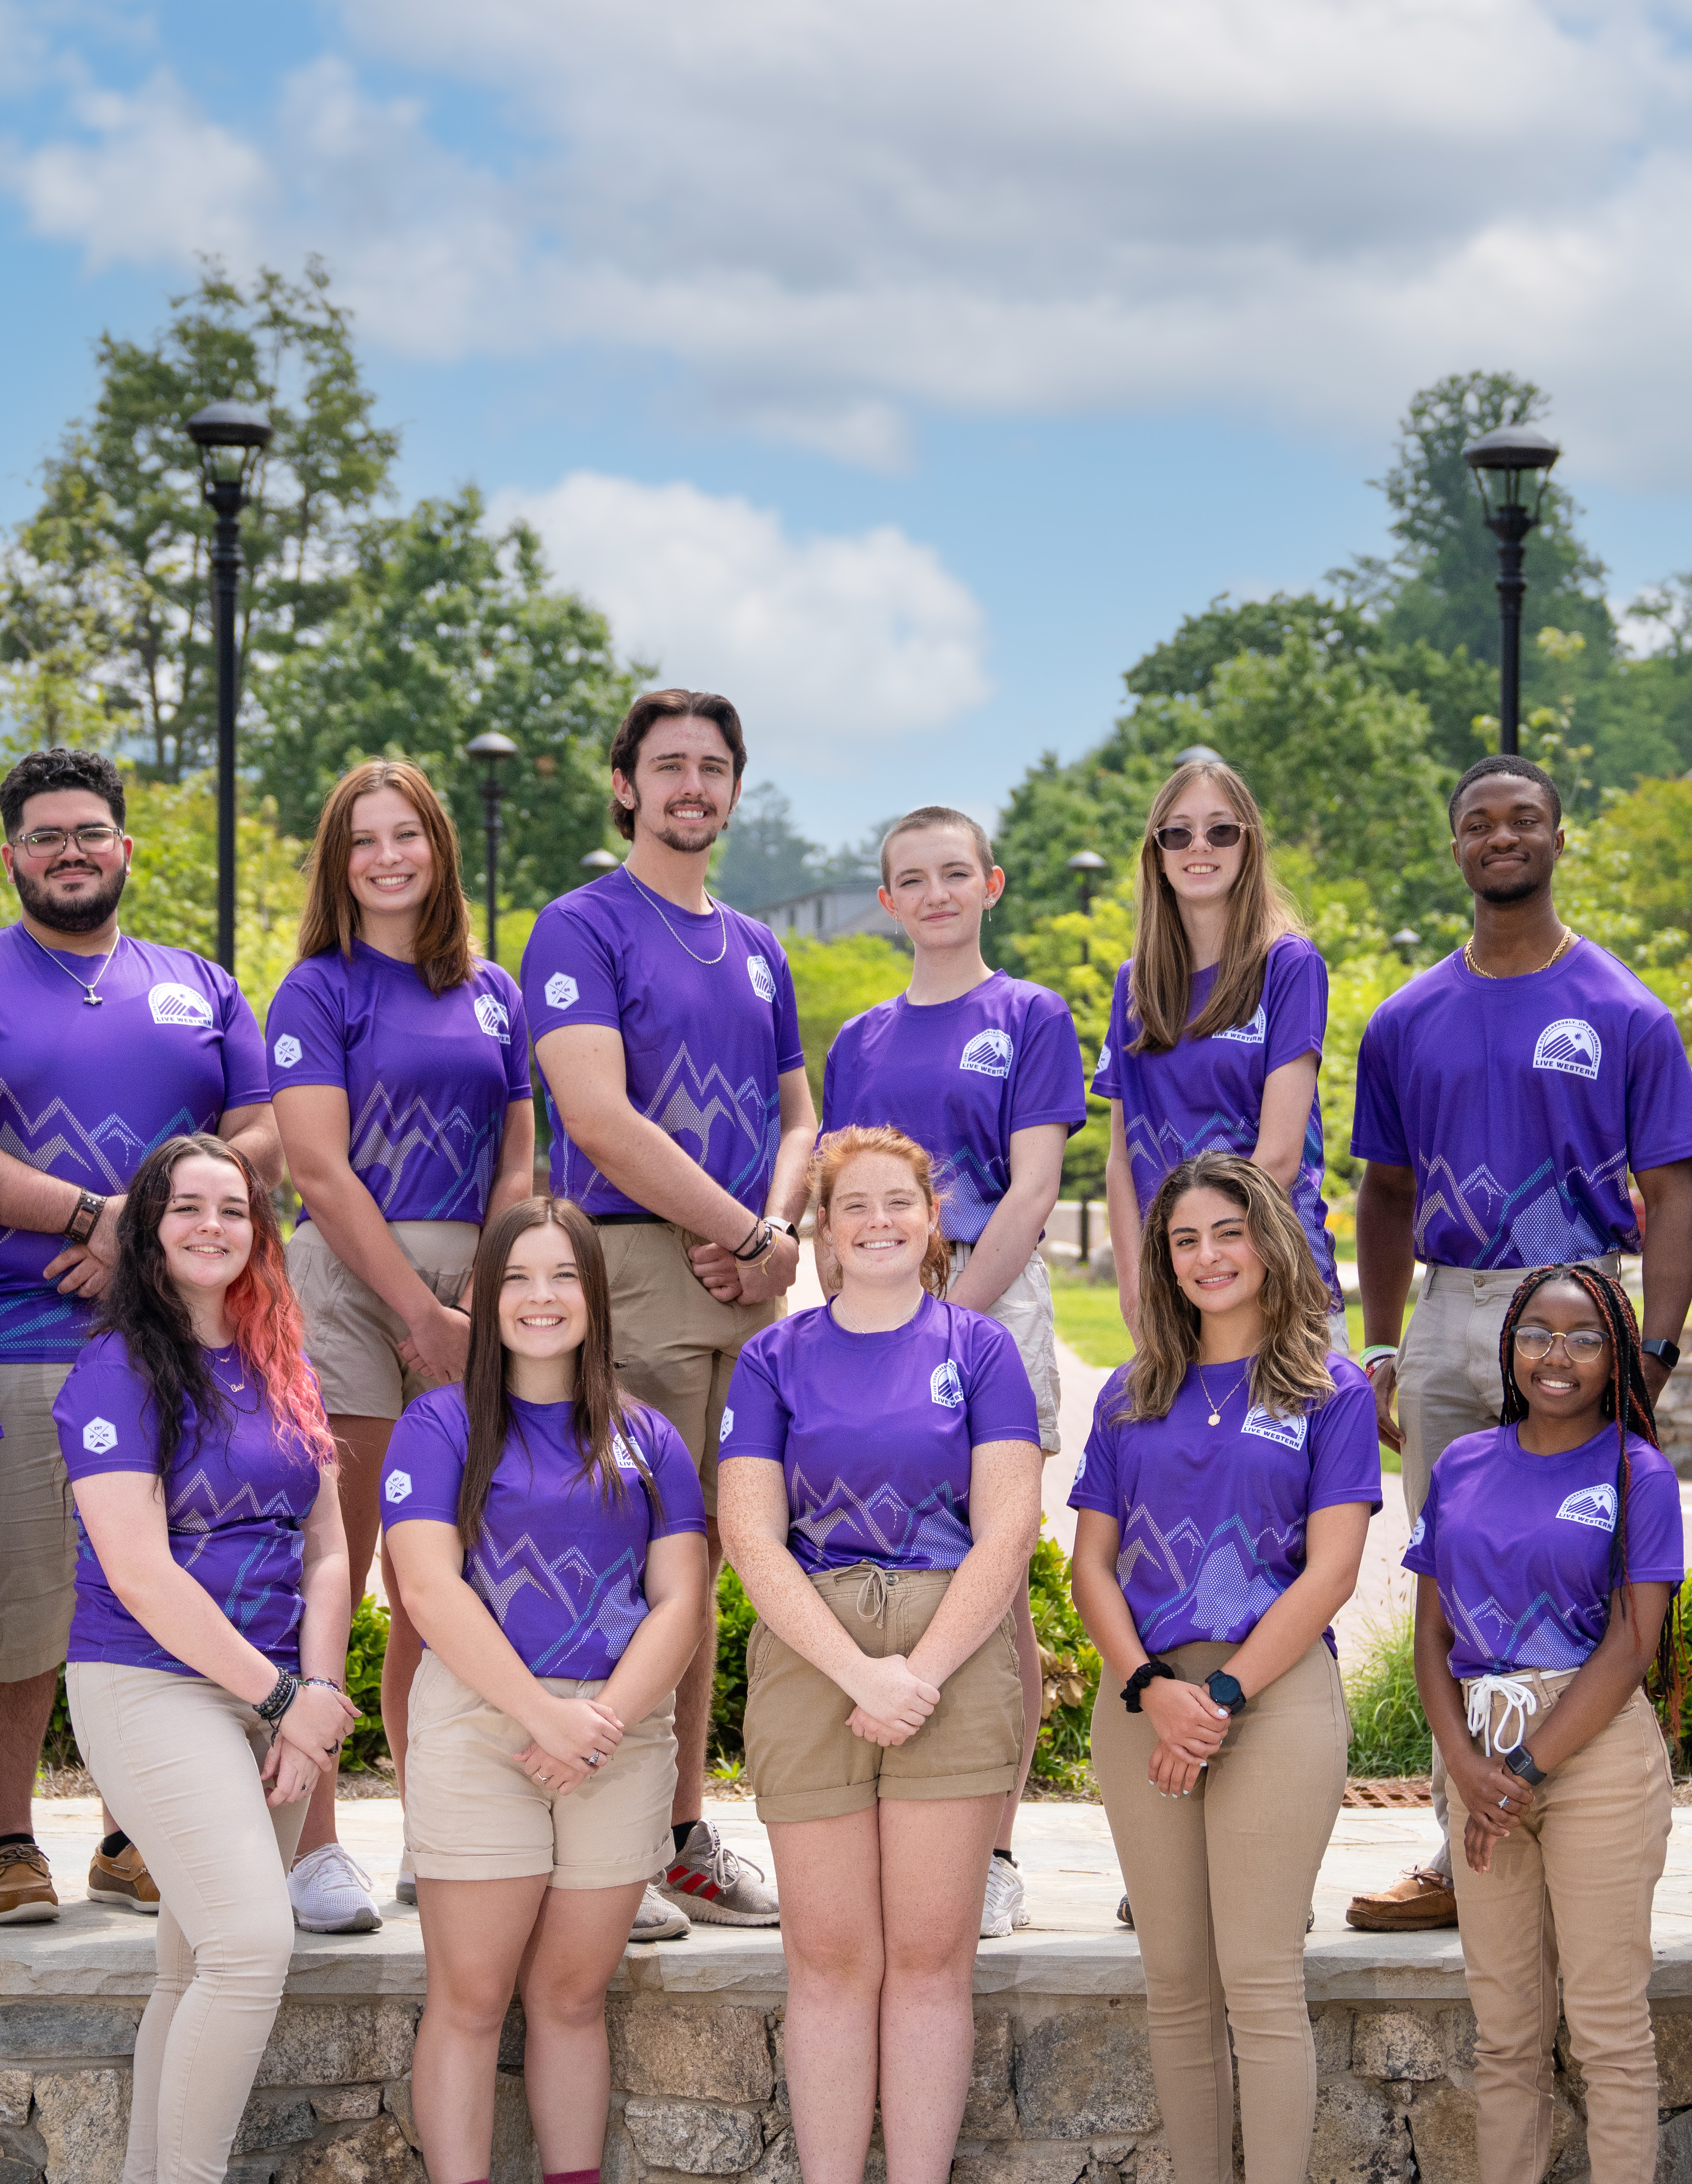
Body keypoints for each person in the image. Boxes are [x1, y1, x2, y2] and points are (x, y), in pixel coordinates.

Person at [0, 749, 279, 1932]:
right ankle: (7, 1837)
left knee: (155, 1582)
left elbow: (265, 1136)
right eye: (45, 836)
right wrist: (86, 1217)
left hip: (181, 1347)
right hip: (7, 1329)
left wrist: (146, 1235)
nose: (69, 851)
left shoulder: (198, 983)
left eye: (90, 833)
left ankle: (129, 1833)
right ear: (10, 855)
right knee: (12, 1591)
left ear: (124, 849)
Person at [1348, 757, 1692, 1932]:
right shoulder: (1406, 1017)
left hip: (1570, 1306)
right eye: (1476, 823)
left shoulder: (1622, 1010)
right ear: (1452, 846)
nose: (1499, 836)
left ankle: (1587, 1827)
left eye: (1521, 819)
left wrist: (1649, 1347)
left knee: (1585, 1578)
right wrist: (1383, 1343)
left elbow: (1671, 1188)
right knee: (1460, 1577)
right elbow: (1384, 1189)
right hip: (1450, 1309)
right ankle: (1463, 1849)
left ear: (1558, 836)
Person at [719, 1126, 1043, 2184]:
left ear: (929, 1216)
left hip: (947, 1654)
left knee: (927, 1959)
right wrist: (860, 1669)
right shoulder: (772, 1358)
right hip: (815, 1658)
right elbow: (750, 1534)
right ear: (817, 1226)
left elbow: (1007, 1526)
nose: (874, 1222)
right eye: (848, 1205)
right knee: (827, 1960)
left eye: (895, 1202)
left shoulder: (982, 1350)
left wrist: (920, 1671)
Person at [379, 1200, 714, 2184]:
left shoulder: (647, 1434)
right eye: (515, 1277)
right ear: (486, 1296)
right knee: (471, 1999)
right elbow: (427, 1591)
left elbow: (683, 1598)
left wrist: (604, 1718)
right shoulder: (437, 1427)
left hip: (614, 1740)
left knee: (571, 1996)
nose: (537, 1296)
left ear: (591, 1296)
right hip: (484, 1727)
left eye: (560, 1277)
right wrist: (540, 1713)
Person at [1070, 1154, 1376, 2184]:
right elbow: (1091, 1562)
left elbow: (1332, 1566)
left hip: (1274, 1697)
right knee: (1173, 1981)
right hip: (1142, 1701)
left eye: (1226, 1233)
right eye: (1184, 1237)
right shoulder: (1127, 1392)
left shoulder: (1327, 1386)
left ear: (1268, 1243)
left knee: (1256, 1976)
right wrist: (1153, 1689)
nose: (1206, 1255)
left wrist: (1226, 1693)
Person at [61, 1135, 356, 2184]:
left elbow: (331, 1544)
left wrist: (316, 1692)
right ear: (146, 1229)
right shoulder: (115, 1372)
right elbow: (138, 1570)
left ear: (256, 1228)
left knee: (192, 1967)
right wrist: (280, 1698)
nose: (210, 1224)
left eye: (231, 1207)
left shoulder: (287, 1363)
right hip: (149, 1682)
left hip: (275, 1693)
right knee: (248, 1942)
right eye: (184, 1207)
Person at [523, 687, 809, 1935]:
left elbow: (798, 1112)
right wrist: (737, 1229)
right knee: (618, 1556)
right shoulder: (579, 927)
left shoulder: (757, 944)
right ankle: (606, 1842)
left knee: (698, 1566)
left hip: (747, 1287)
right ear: (624, 783)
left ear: (734, 788)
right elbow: (595, 1116)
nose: (690, 785)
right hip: (635, 1269)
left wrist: (776, 1239)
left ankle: (679, 1828)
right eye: (666, 764)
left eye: (712, 766)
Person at [265, 759, 554, 1930]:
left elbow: (516, 1156)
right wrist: (415, 1314)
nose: (387, 858)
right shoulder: (315, 991)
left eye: (407, 836)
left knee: (443, 1581)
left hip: (477, 1286)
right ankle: (313, 1842)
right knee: (335, 1565)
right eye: (362, 841)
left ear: (438, 849)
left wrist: (484, 1299)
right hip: (345, 1283)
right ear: (337, 864)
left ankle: (434, 1827)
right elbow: (319, 1172)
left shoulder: (494, 992)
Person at [1391, 1260, 1683, 2184]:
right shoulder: (1463, 1461)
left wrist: (1524, 1772)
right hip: (1479, 1753)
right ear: (1507, 1349)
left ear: (1615, 1357)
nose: (1554, 1355)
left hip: (1588, 1754)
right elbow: (1428, 1635)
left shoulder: (1635, 1469)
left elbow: (1630, 1641)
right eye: (1535, 1335)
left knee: (1605, 2025)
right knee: (1506, 2026)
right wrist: (1464, 1764)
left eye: (1581, 1338)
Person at [818, 803, 1087, 1941]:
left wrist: (946, 1331)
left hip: (984, 1296)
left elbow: (1030, 1193)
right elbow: (842, 1196)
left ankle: (990, 1846)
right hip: (870, 1302)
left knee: (992, 1580)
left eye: (951, 873)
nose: (932, 893)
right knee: (887, 1562)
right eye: (908, 879)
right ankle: (893, 1828)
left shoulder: (1028, 1016)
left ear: (991, 883)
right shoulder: (858, 1040)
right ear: (885, 901)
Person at [1092, 756, 1335, 1321]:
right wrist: (1138, 1292)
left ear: (1248, 845)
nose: (1199, 846)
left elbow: (1277, 1157)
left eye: (1221, 830)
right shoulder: (1135, 983)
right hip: (1173, 1289)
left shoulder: (1287, 964)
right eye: (1177, 833)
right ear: (1156, 854)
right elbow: (1120, 1160)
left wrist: (1206, 1259)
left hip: (1271, 1282)